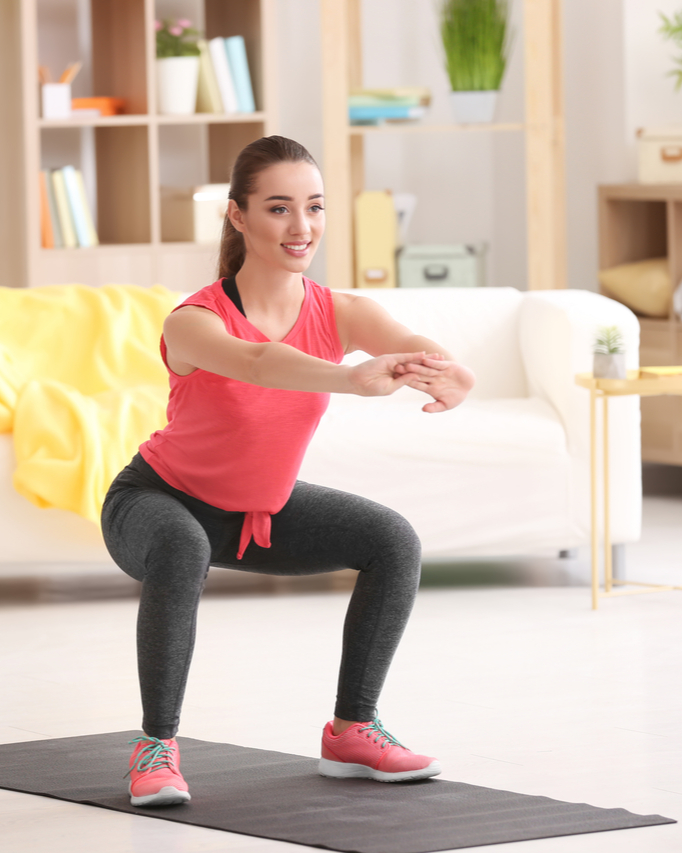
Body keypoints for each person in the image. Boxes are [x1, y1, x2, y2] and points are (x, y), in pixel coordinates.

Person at [101, 136, 476, 807]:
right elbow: (256, 362)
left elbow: (419, 347)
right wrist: (349, 376)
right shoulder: (193, 320)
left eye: (314, 207)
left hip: (257, 514)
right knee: (184, 544)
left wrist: (451, 372)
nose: (301, 227)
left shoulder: (340, 310)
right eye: (279, 208)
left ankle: (353, 730)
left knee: (391, 540)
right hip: (155, 503)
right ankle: (156, 747)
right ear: (238, 216)